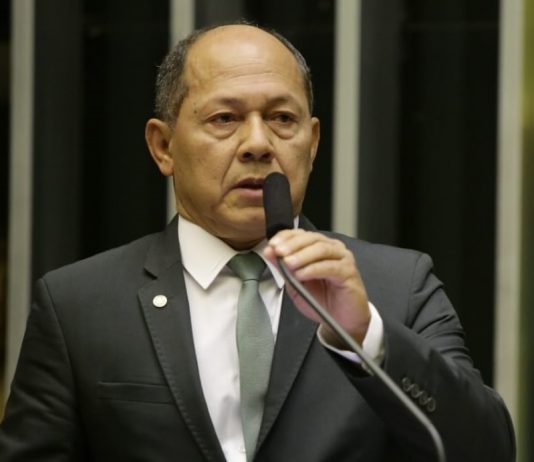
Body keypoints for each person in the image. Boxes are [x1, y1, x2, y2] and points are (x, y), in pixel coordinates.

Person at [0, 23, 515, 462]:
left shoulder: (397, 287)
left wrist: (366, 337)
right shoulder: (78, 305)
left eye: (282, 119)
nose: (257, 144)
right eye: (224, 119)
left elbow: (486, 449)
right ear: (163, 146)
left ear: (313, 143)